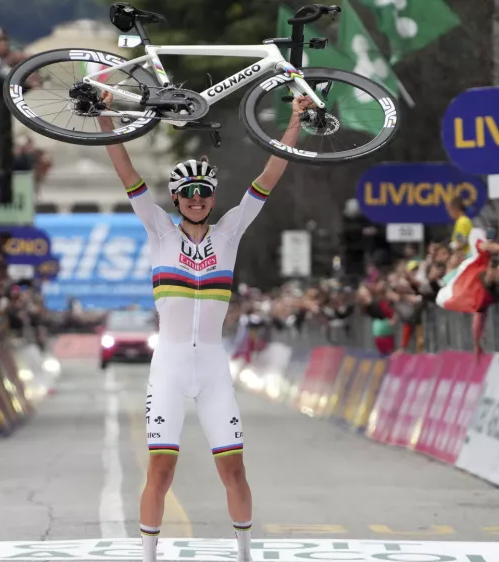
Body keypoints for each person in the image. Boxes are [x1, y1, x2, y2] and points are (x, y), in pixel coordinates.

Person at [97, 91, 315, 562]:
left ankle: (243, 554)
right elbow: (127, 173)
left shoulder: (230, 232)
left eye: (204, 193)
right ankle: (148, 557)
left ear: (213, 198)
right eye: (188, 194)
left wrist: (294, 121)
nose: (197, 200)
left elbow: (268, 176)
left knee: (234, 472)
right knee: (160, 473)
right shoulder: (159, 231)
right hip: (171, 366)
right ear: (176, 199)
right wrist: (103, 118)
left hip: (213, 366)